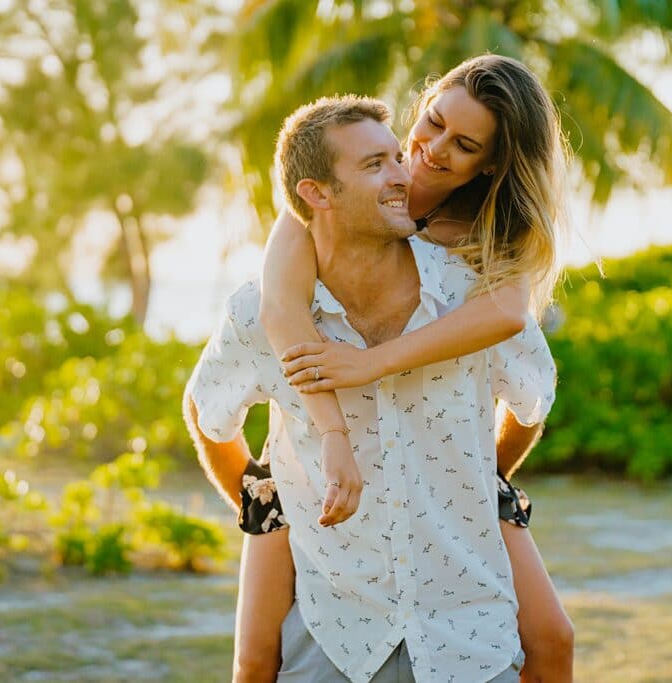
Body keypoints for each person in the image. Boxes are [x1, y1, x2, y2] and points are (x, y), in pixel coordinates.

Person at [184, 95, 557, 682]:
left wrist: (482, 482)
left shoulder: (476, 284)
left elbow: (533, 396)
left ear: (488, 164)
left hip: (466, 636)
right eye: (429, 127)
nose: (413, 166)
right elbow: (209, 412)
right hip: (337, 632)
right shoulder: (265, 304)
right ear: (317, 193)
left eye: (464, 146)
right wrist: (277, 512)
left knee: (554, 640)